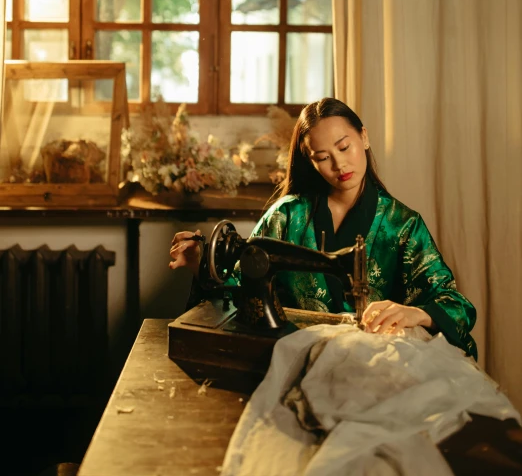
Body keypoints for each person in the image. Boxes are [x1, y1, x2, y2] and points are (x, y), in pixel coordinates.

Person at [169, 97, 477, 358]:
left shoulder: (402, 225)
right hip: (291, 357)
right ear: (310, 161)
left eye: (344, 147)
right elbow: (239, 291)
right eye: (323, 157)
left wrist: (415, 313)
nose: (339, 165)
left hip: (370, 365)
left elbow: (456, 306)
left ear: (364, 138)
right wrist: (200, 265)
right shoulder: (287, 215)